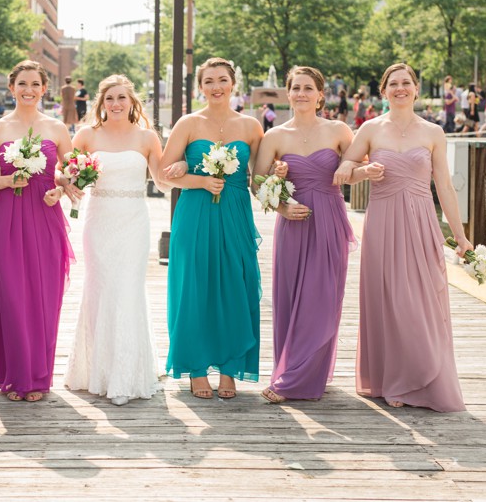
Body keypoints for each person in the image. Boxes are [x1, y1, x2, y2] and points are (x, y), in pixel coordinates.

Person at [334, 62, 470, 413]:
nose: (400, 88)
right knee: (389, 300)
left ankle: (420, 377)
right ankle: (393, 381)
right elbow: (342, 174)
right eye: (393, 83)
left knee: (420, 301)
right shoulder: (369, 129)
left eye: (406, 82)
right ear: (383, 91)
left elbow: (444, 187)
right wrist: (363, 171)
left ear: (416, 88)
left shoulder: (433, 132)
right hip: (382, 222)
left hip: (421, 222)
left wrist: (460, 236)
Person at [254, 66, 375, 404]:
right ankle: (292, 369)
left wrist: (356, 168)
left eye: (309, 88)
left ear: (321, 94)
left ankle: (295, 380)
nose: (302, 94)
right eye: (296, 88)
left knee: (322, 300)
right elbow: (257, 182)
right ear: (288, 93)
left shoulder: (338, 130)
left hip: (329, 219)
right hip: (293, 222)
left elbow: (354, 170)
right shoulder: (274, 136)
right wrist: (280, 206)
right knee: (292, 300)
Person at [159, 57, 263, 400]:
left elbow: (258, 179)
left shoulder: (251, 126)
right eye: (208, 81)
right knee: (194, 286)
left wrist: (277, 172)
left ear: (233, 83)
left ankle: (231, 366)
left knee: (235, 284)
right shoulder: (188, 123)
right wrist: (198, 180)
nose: (216, 87)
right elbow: (162, 174)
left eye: (222, 80)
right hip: (195, 211)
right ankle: (197, 367)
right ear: (200, 87)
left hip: (235, 213)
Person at [0, 60, 79, 402]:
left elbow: (73, 170)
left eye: (35, 84)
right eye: (22, 84)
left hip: (45, 214)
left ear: (44, 88)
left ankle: (37, 376)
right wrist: (7, 179)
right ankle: (14, 375)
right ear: (12, 87)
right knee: (13, 295)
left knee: (43, 297)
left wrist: (61, 189)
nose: (28, 90)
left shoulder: (58, 128)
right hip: (8, 217)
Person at [64, 75, 169, 406]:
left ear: (132, 101)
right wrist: (69, 185)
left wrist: (191, 171)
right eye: (110, 98)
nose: (116, 103)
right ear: (101, 102)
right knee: (101, 288)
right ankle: (98, 371)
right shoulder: (86, 135)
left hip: (134, 222)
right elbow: (63, 172)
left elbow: (163, 181)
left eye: (122, 97)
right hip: (99, 221)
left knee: (127, 289)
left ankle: (127, 373)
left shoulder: (147, 137)